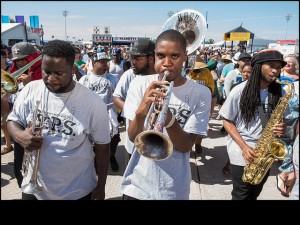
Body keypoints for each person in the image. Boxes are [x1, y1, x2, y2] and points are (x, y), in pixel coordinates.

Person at [7, 40, 111, 200]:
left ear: (72, 69)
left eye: (58, 73)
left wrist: (101, 186)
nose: (50, 78)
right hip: (34, 188)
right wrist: (20, 136)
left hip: (76, 191)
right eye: (46, 72)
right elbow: (12, 121)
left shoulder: (94, 104)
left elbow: (103, 148)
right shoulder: (31, 89)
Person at [121, 29, 211, 200]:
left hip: (173, 189)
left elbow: (185, 147)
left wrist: (169, 119)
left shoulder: (201, 93)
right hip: (136, 186)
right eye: (161, 56)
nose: (167, 63)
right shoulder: (139, 84)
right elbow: (133, 137)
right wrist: (142, 110)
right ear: (154, 55)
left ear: (185, 56)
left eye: (175, 56)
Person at [219, 49, 288, 200]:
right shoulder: (239, 91)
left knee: (254, 195)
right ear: (258, 66)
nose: (275, 70)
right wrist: (244, 147)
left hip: (265, 153)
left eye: (278, 67)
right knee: (241, 195)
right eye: (271, 65)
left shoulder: (280, 92)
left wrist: (282, 126)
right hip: (242, 152)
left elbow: (282, 120)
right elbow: (226, 120)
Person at [112, 38, 156, 164]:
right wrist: (135, 111)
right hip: (134, 144)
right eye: (132, 58)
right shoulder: (130, 75)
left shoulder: (162, 76)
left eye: (138, 59)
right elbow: (116, 98)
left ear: (151, 59)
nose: (133, 62)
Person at [79, 52, 120, 172]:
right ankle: (94, 160)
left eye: (106, 62)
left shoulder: (112, 78)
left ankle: (111, 157)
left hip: (108, 113)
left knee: (114, 138)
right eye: (102, 62)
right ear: (94, 63)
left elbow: (117, 96)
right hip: (90, 114)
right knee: (91, 139)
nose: (105, 64)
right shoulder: (85, 79)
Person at [1, 42, 41, 156]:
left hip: (35, 125)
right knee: (19, 163)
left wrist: (30, 84)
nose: (20, 63)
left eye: (24, 59)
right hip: (18, 125)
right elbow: (9, 103)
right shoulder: (15, 75)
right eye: (17, 60)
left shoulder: (43, 73)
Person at [187, 58, 214, 154]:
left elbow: (211, 85)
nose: (199, 70)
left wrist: (205, 90)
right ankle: (188, 147)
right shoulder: (187, 73)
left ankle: (198, 143)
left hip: (202, 103)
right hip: (188, 103)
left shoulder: (206, 72)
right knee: (188, 126)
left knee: (200, 125)